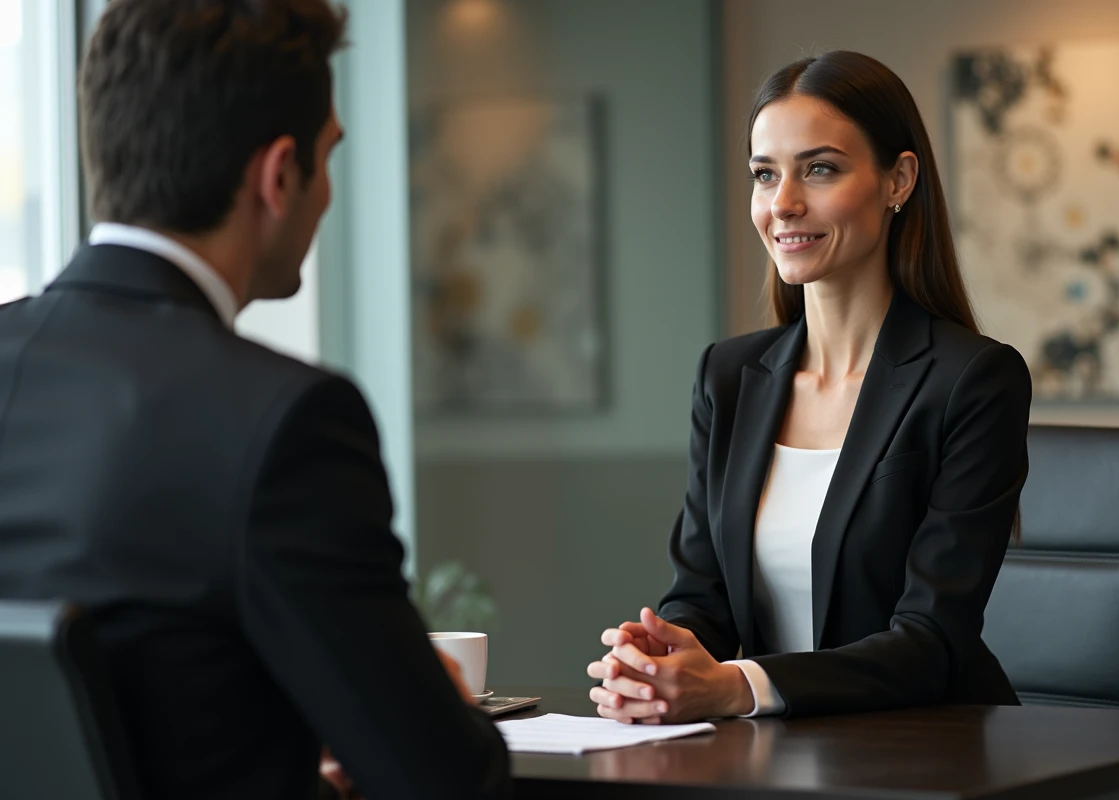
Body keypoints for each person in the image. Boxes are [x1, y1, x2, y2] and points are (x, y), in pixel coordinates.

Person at [0, 1, 510, 798]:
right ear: (279, 176)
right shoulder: (286, 421)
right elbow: (441, 781)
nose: (330, 192)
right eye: (329, 157)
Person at [587, 51, 1032, 723]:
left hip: (934, 754)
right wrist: (662, 657)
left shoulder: (972, 381)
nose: (784, 204)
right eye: (765, 175)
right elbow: (701, 598)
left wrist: (739, 686)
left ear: (898, 180)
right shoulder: (729, 378)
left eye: (819, 169)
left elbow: (931, 640)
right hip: (780, 753)